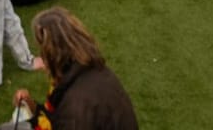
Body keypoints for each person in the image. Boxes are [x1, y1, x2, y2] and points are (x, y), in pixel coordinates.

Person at [10, 7, 139, 130]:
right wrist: (31, 107)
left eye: (43, 51)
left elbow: (65, 120)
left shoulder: (76, 108)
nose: (42, 58)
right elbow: (56, 119)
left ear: (53, 55)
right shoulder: (91, 70)